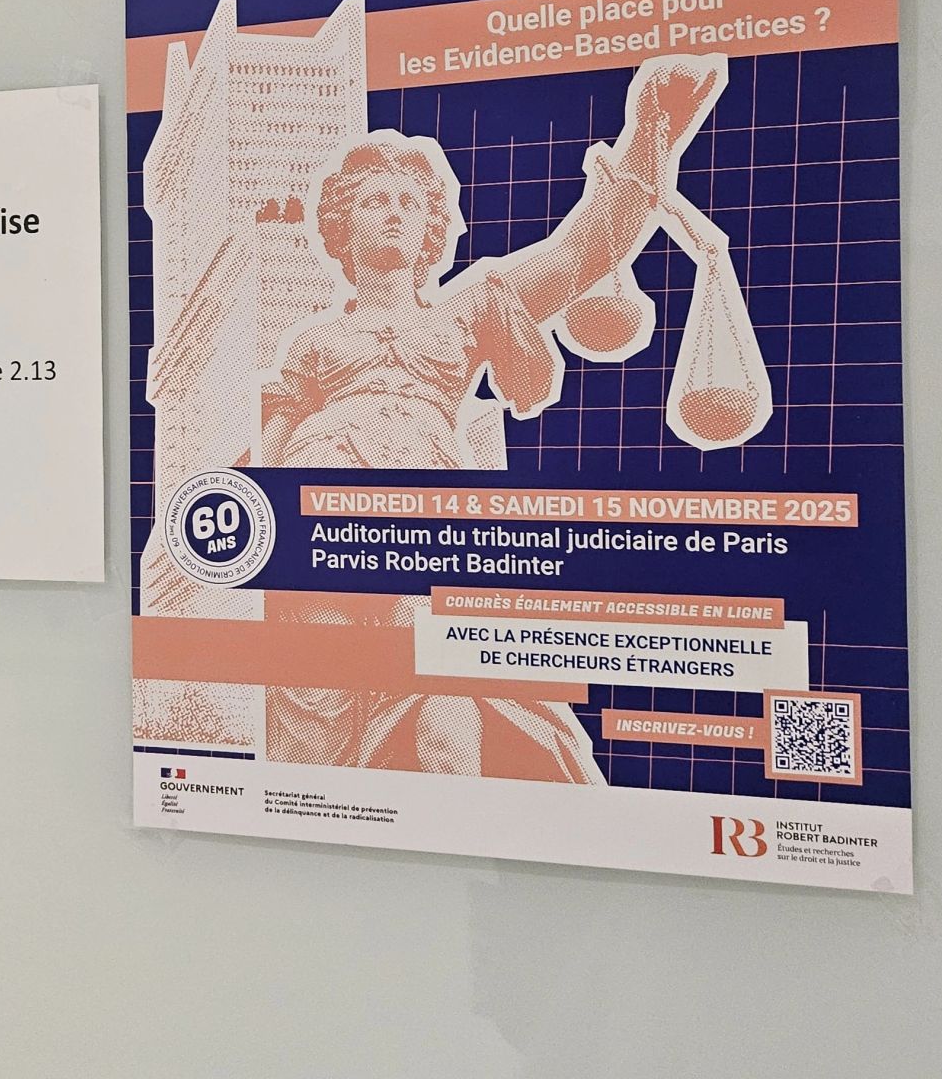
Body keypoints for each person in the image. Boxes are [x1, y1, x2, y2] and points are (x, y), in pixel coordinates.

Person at [260, 57, 722, 781]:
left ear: (430, 228)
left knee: (446, 700)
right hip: (317, 512)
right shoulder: (312, 341)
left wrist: (650, 129)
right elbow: (269, 447)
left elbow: (582, 250)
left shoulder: (468, 308)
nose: (393, 212)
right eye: (374, 200)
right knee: (317, 712)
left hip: (420, 516)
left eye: (409, 202)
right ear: (342, 224)